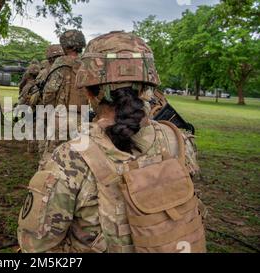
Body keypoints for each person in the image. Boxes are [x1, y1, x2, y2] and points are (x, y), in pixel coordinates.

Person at [17, 31, 206, 253]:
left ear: (89, 91)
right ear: (148, 87)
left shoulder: (71, 158)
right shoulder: (178, 139)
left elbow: (35, 246)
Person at [40, 30, 89, 166]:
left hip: (61, 117)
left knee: (52, 157)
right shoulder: (88, 64)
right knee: (77, 158)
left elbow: (50, 91)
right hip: (82, 118)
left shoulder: (61, 63)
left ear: (65, 45)